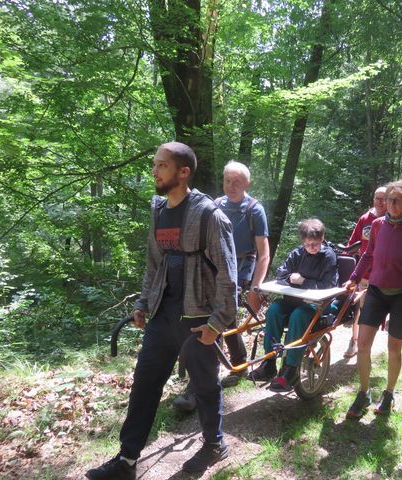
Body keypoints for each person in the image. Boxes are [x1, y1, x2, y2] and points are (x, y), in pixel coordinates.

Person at [85, 142, 237, 479]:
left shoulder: (210, 215)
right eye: (155, 164)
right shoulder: (158, 210)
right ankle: (126, 460)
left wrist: (217, 323)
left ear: (184, 172)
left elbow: (229, 275)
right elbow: (154, 264)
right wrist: (142, 303)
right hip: (162, 315)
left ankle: (215, 444)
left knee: (205, 385)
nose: (154, 171)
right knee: (144, 384)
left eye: (162, 165)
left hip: (198, 319)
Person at [172, 161, 270, 411]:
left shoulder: (254, 210)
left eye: (237, 181)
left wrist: (256, 286)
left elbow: (263, 253)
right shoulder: (215, 205)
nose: (232, 186)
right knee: (221, 317)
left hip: (241, 266)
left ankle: (198, 386)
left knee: (220, 314)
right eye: (228, 180)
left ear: (246, 183)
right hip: (213, 266)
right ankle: (236, 361)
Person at [344, 181, 402, 418]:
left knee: (394, 349)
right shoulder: (376, 225)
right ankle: (363, 394)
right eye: (387, 200)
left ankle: (389, 393)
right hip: (376, 291)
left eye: (395, 200)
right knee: (362, 345)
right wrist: (353, 278)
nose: (389, 205)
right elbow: (368, 255)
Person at [247, 218, 338, 391]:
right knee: (274, 310)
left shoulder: (328, 256)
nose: (312, 248)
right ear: (303, 241)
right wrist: (289, 278)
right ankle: (269, 362)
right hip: (295, 300)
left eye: (316, 244)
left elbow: (328, 285)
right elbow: (282, 273)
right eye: (308, 244)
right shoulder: (298, 253)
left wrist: (303, 280)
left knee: (298, 315)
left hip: (320, 304)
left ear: (322, 238)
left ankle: (290, 370)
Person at [342, 186, 387, 358]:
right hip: (365, 274)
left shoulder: (392, 220)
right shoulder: (365, 219)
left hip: (384, 275)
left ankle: (366, 342)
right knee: (360, 308)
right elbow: (353, 243)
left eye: (384, 198)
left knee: (375, 311)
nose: (380, 202)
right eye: (377, 198)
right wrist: (343, 259)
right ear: (373, 199)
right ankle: (354, 341)